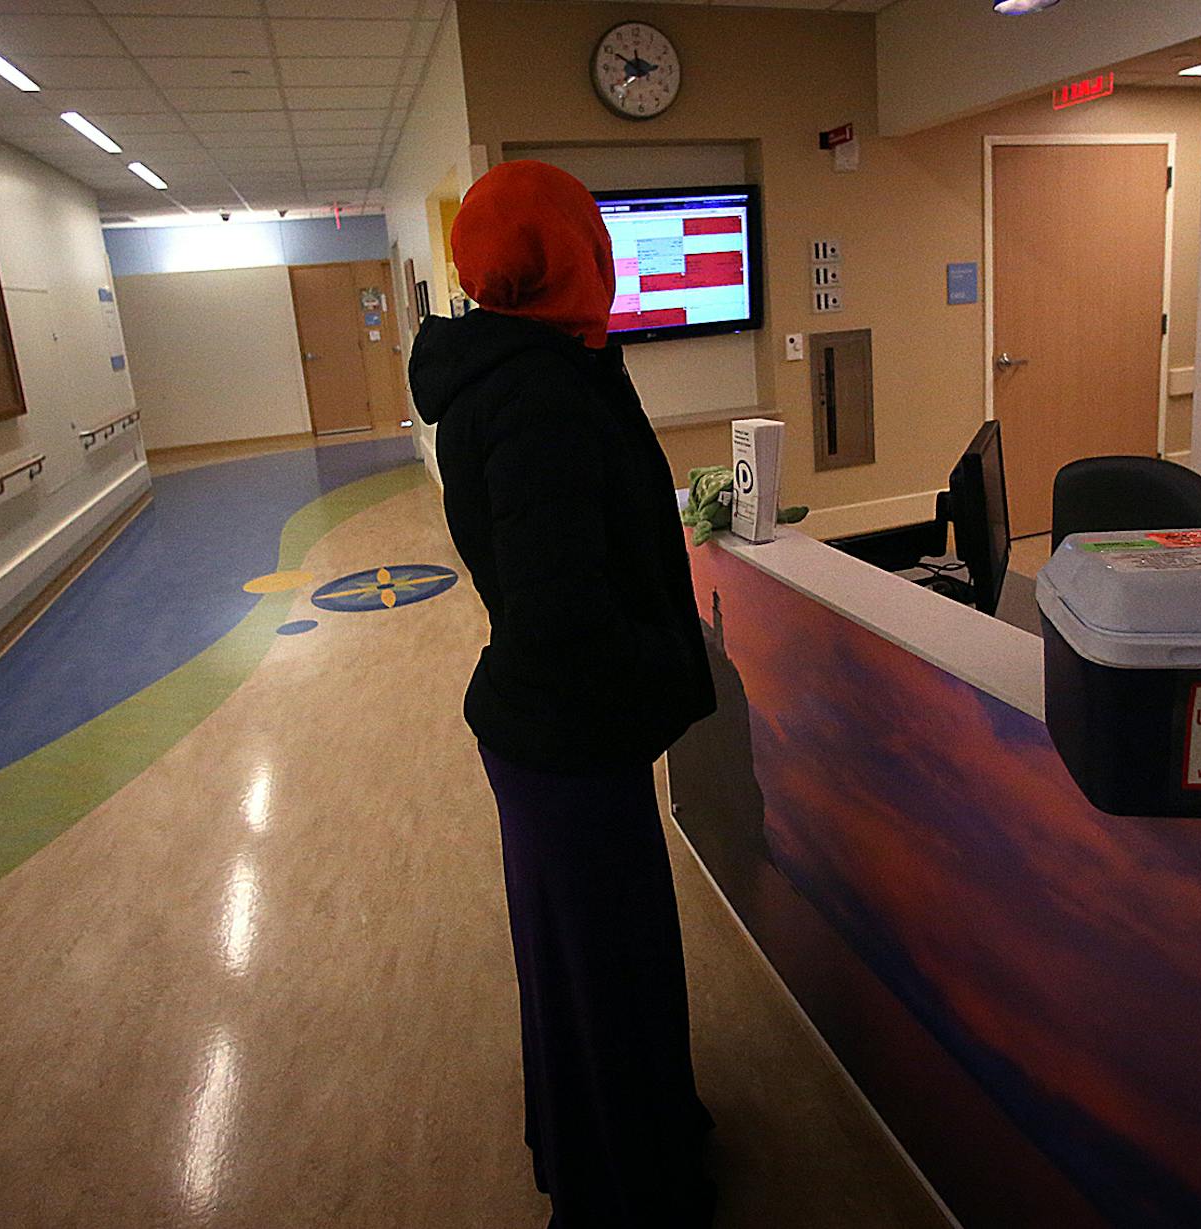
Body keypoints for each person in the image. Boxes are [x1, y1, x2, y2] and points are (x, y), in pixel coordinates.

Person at [408, 160, 719, 1228]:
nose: (606, 252)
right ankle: (631, 1195)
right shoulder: (537, 391)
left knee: (584, 963)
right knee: (609, 970)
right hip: (569, 736)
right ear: (562, 253)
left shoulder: (527, 365)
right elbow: (559, 611)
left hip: (555, 731)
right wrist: (665, 662)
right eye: (591, 233)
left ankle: (612, 1155)